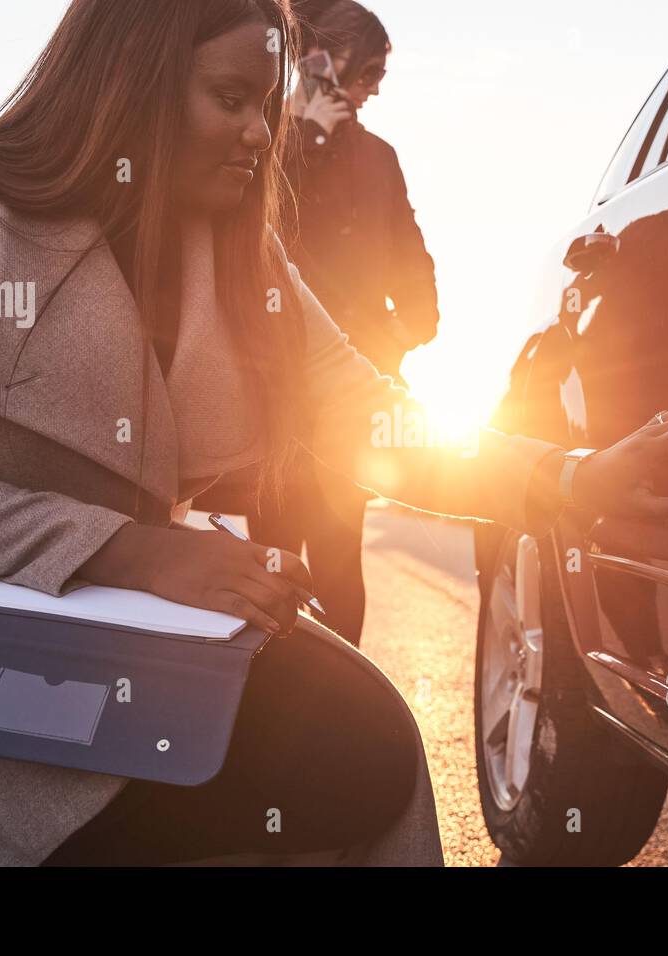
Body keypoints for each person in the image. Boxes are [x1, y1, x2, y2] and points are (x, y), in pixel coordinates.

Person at [0, 0, 668, 867]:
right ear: (128, 79)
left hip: (126, 624)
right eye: (231, 98)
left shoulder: (236, 248)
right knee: (118, 800)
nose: (261, 134)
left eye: (267, 103)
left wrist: (571, 477)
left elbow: (365, 411)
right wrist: (133, 554)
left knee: (362, 743)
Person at [233, 0, 436, 646]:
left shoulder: (379, 157)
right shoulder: (260, 145)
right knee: (271, 551)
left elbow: (414, 265)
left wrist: (396, 339)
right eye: (366, 71)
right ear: (320, 63)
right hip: (273, 391)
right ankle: (264, 697)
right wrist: (305, 133)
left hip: (352, 397)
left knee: (339, 555)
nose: (374, 87)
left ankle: (340, 704)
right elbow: (245, 228)